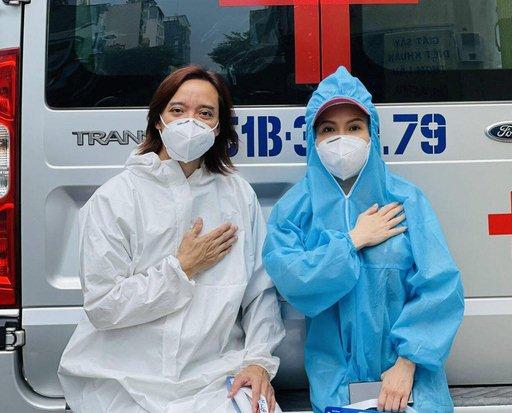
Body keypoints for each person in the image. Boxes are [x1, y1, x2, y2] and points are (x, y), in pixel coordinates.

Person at [58, 66, 285, 413]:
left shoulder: (238, 196)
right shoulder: (116, 199)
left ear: (219, 127)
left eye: (205, 113)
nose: (190, 122)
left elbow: (260, 294)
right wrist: (181, 268)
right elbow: (103, 307)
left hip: (214, 380)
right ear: (158, 120)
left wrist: (258, 362)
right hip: (122, 382)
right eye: (178, 110)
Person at [262, 67, 464, 413]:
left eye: (354, 127)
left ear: (372, 133)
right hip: (337, 386)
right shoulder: (294, 209)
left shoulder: (405, 200)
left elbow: (440, 286)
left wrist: (408, 363)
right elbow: (294, 281)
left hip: (409, 385)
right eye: (328, 129)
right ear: (312, 139)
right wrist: (352, 241)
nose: (342, 139)